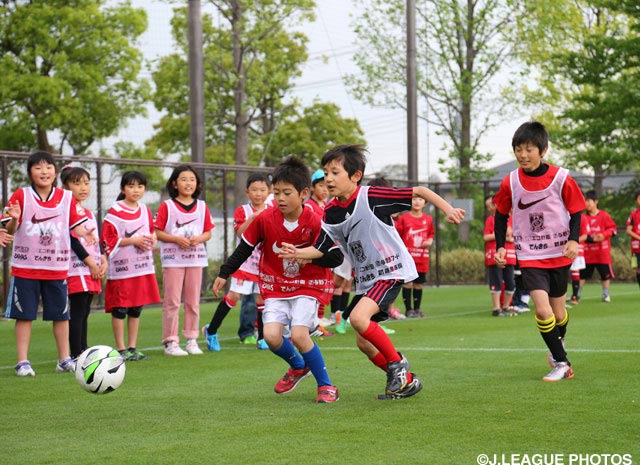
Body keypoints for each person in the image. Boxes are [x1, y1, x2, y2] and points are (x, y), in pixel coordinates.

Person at [279, 144, 465, 399]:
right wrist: (296, 253)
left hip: (391, 271)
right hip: (367, 280)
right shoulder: (331, 213)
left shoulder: (371, 197)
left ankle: (398, 366)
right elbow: (321, 248)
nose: (328, 179)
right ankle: (407, 382)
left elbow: (419, 191)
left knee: (357, 318)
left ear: (355, 176)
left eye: (335, 172)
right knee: (364, 342)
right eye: (325, 173)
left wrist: (448, 209)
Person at [212, 157, 342, 403]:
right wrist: (224, 273)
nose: (280, 198)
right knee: (271, 336)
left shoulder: (316, 220)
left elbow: (335, 256)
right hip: (276, 286)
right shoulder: (265, 219)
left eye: (287, 193)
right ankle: (298, 366)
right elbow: (244, 249)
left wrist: (309, 259)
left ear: (304, 193)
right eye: (277, 192)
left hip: (308, 287)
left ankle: (326, 386)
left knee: (299, 335)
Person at [494, 121, 586, 382]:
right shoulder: (510, 181)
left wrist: (574, 240)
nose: (523, 155)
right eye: (518, 150)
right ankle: (562, 362)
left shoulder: (561, 177)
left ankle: (558, 342)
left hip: (559, 254)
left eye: (529, 149)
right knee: (543, 311)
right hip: (531, 255)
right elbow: (500, 214)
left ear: (543, 150)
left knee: (558, 313)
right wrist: (501, 245)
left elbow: (576, 209)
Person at [3, 151, 96, 376]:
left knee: (61, 316)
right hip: (26, 267)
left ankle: (64, 359)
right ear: (30, 172)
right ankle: (22, 362)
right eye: (38, 168)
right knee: (25, 316)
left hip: (56, 268)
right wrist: (14, 218)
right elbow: (9, 230)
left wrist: (86, 232)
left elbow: (75, 227)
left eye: (48, 167)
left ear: (55, 172)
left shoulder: (66, 198)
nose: (44, 172)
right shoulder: (21, 195)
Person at [203, 173, 271, 351]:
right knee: (233, 297)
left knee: (261, 299)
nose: (258, 194)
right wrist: (254, 218)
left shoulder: (273, 209)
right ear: (247, 191)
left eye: (263, 190)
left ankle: (262, 337)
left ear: (269, 191)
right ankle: (211, 331)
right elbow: (241, 233)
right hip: (245, 263)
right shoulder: (243, 211)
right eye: (254, 190)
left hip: (263, 264)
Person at [100, 171, 161, 361]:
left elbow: (151, 233)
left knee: (136, 308)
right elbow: (107, 240)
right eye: (131, 186)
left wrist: (151, 239)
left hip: (141, 267)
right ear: (123, 189)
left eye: (140, 186)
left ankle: (133, 347)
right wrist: (132, 240)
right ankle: (121, 349)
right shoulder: (115, 211)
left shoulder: (145, 210)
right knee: (120, 309)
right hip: (122, 269)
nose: (136, 190)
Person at [155, 165, 214, 356]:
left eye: (192, 179)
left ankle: (191, 339)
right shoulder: (167, 206)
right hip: (173, 260)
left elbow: (208, 232)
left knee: (193, 302)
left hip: (195, 259)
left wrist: (199, 239)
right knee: (172, 302)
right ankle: (171, 341)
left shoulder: (202, 206)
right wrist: (176, 239)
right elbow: (157, 231)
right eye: (183, 179)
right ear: (174, 183)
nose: (188, 183)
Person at [60, 166, 108, 359]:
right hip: (76, 268)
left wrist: (102, 259)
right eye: (77, 183)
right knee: (78, 310)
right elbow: (72, 241)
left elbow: (95, 240)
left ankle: (83, 349)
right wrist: (91, 264)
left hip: (91, 268)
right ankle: (75, 353)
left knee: (85, 310)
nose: (83, 188)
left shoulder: (87, 212)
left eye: (87, 183)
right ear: (65, 186)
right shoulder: (66, 210)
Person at [395, 196, 435, 318]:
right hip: (407, 257)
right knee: (408, 283)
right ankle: (409, 310)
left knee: (418, 284)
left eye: (420, 199)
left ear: (425, 203)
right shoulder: (403, 218)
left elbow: (431, 234)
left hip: (422, 257)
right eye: (414, 199)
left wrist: (429, 241)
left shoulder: (428, 219)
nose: (417, 202)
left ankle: (417, 310)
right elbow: (397, 235)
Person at [579, 190, 617, 302]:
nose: (586, 203)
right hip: (587, 252)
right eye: (584, 201)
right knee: (582, 275)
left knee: (605, 274)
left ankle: (605, 294)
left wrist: (604, 235)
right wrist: (590, 238)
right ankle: (577, 294)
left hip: (602, 253)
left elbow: (613, 229)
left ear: (596, 201)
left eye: (588, 201)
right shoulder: (582, 217)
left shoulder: (604, 215)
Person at [483, 195, 517, 317]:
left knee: (510, 283)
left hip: (510, 255)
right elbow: (486, 237)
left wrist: (509, 237)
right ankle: (496, 308)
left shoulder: (513, 219)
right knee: (496, 281)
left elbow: (515, 237)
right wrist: (501, 235)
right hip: (494, 255)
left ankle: (506, 307)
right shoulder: (490, 220)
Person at [626, 191, 640, 290]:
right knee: (638, 269)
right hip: (636, 248)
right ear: (636, 201)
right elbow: (628, 231)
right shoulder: (633, 214)